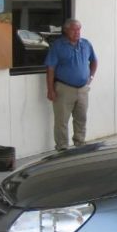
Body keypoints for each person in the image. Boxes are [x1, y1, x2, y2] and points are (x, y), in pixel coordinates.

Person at [45, 18, 98, 151]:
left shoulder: (86, 44)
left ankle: (80, 144)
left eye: (79, 29)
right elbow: (50, 68)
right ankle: (62, 147)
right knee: (62, 121)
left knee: (81, 118)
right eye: (74, 29)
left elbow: (94, 61)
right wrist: (50, 89)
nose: (77, 32)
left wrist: (90, 77)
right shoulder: (58, 46)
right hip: (64, 88)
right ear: (66, 30)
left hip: (82, 89)